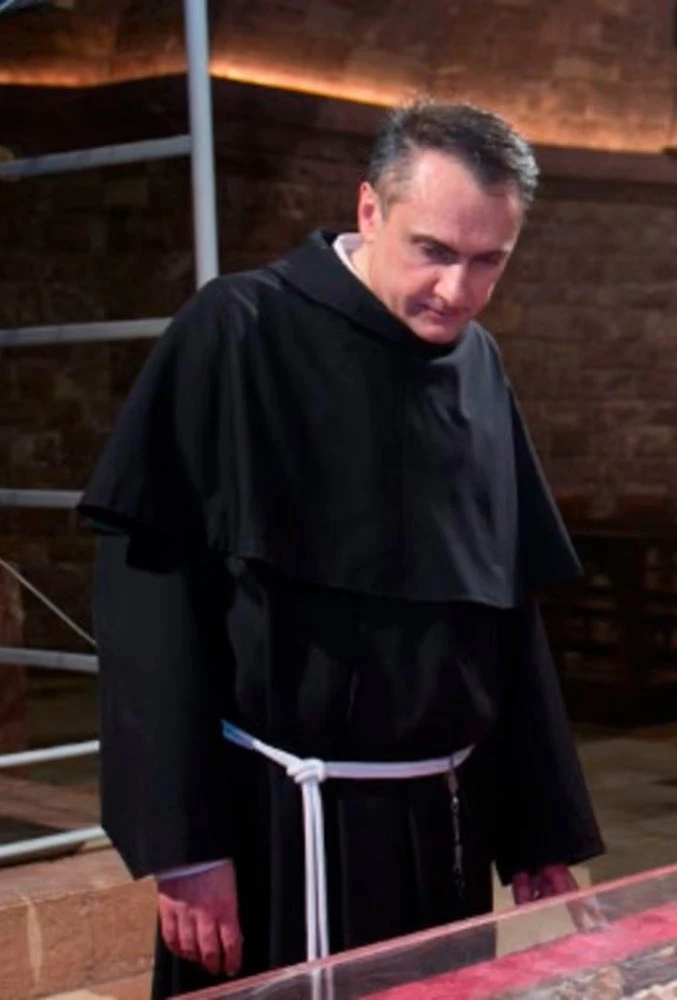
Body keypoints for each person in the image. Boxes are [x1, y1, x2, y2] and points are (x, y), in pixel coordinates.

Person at [80, 100, 604, 998]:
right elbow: (147, 597)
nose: (457, 292)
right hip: (279, 825)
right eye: (433, 251)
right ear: (370, 208)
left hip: (440, 827)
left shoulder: (478, 366)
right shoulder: (238, 329)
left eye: (488, 261)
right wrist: (184, 844)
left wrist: (537, 829)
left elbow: (502, 616)